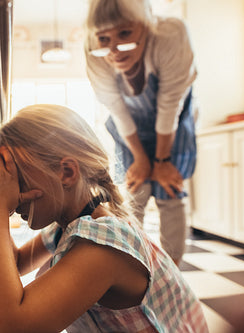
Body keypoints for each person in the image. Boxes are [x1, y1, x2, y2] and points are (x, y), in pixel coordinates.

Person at [0, 104, 208, 332]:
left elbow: (3, 327)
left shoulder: (100, 246)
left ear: (67, 173)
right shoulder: (71, 224)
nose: (12, 197)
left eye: (18, 181)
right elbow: (17, 263)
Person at [84, 0, 198, 264]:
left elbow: (169, 105)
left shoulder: (172, 35)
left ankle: (172, 270)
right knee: (136, 189)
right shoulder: (93, 49)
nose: (114, 50)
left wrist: (161, 160)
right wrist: (141, 159)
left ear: (145, 26)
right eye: (104, 38)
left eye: (125, 34)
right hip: (128, 127)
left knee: (170, 189)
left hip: (175, 122)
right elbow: (117, 108)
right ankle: (134, 264)